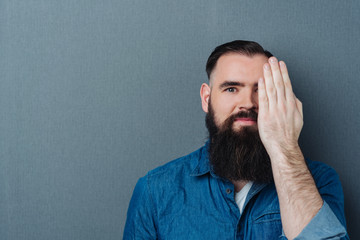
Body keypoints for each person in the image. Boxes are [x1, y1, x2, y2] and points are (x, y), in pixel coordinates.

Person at [123, 40, 348, 239]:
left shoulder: (318, 181)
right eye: (231, 89)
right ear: (206, 98)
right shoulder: (155, 191)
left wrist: (285, 146)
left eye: (260, 90)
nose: (248, 103)